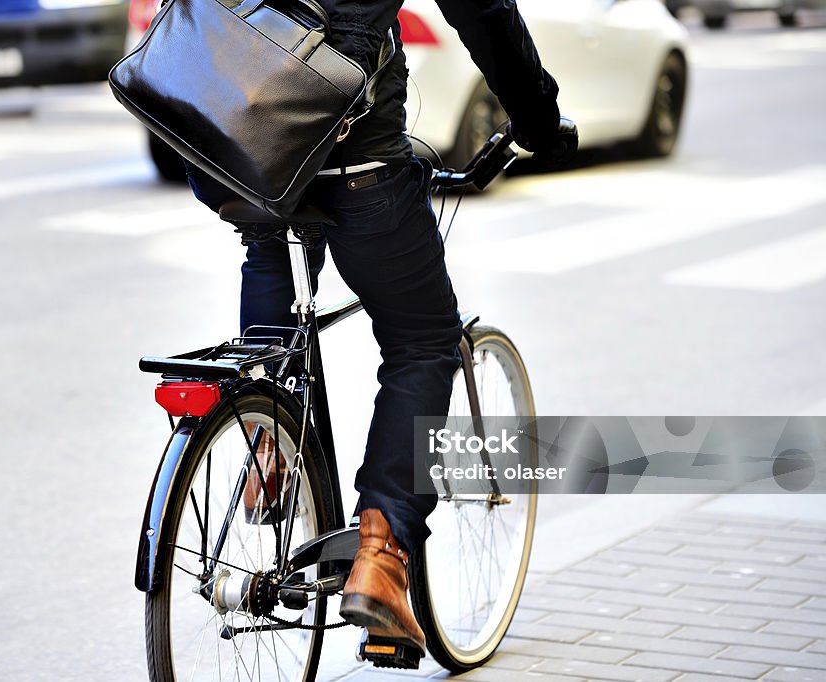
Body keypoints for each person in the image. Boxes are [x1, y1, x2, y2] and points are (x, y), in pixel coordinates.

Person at [186, 0, 564, 664]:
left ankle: (268, 444)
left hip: (233, 137)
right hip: (351, 156)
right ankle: (381, 560)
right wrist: (539, 117)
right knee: (423, 341)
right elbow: (484, 10)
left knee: (266, 239)